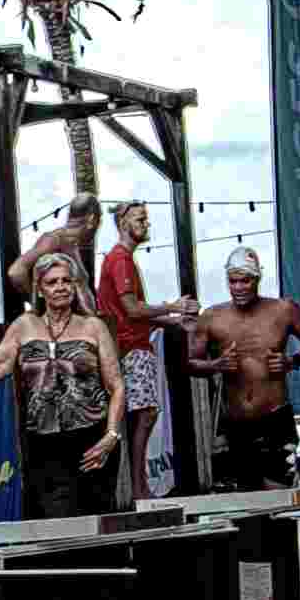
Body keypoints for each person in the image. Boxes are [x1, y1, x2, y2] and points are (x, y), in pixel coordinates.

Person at [0, 253, 126, 518]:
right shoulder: (24, 326)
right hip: (44, 445)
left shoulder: (93, 327)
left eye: (66, 281)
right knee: (54, 523)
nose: (61, 287)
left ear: (74, 285)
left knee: (98, 521)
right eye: (52, 282)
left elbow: (116, 386)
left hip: (93, 442)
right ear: (39, 289)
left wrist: (111, 435)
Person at [186, 247, 300, 492]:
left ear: (257, 279)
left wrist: (292, 361)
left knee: (279, 495)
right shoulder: (212, 317)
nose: (239, 287)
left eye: (245, 281)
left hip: (275, 418)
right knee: (246, 498)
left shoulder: (283, 310)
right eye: (233, 281)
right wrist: (216, 365)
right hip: (236, 423)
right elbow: (190, 363)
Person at [96, 201, 199, 500]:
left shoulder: (121, 259)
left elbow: (134, 312)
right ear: (123, 223)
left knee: (143, 414)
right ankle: (139, 487)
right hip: (131, 346)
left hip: (131, 342)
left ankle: (138, 485)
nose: (146, 224)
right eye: (140, 219)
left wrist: (174, 320)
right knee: (145, 414)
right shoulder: (120, 259)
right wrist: (172, 306)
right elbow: (132, 309)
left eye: (146, 219)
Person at [6, 192, 102, 314]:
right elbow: (15, 272)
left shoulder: (71, 243)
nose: (99, 226)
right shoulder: (54, 240)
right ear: (92, 219)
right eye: (99, 220)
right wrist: (39, 306)